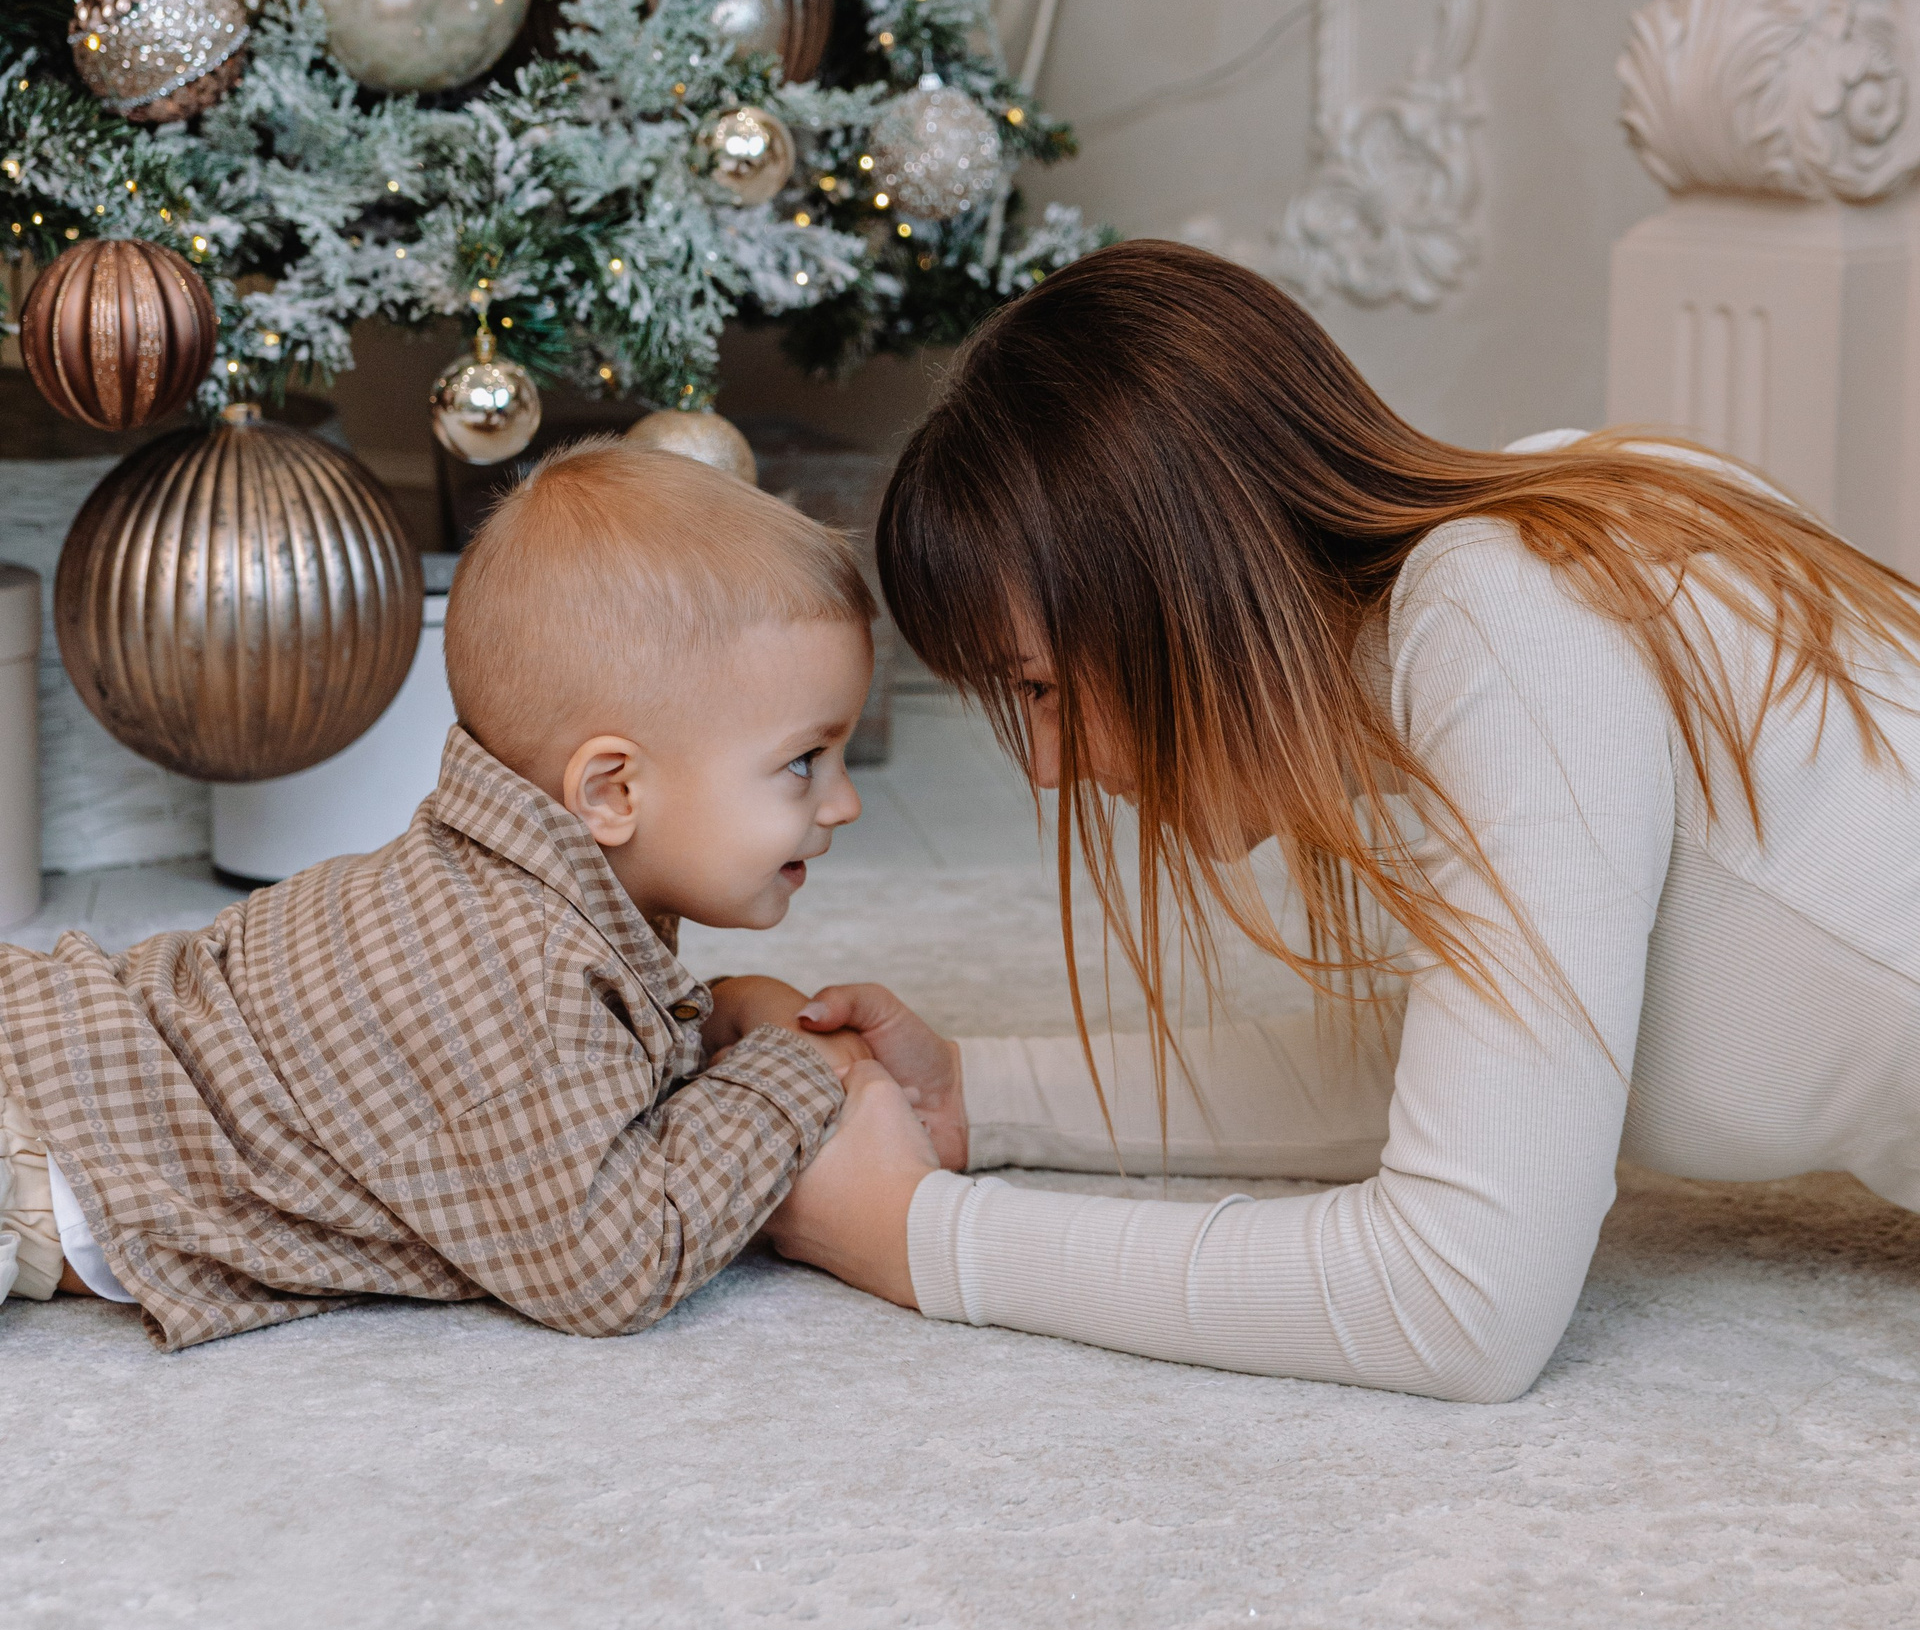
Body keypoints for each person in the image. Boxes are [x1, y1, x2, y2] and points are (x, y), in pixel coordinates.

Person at [766, 240, 1920, 1402]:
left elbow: (1462, 1300)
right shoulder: (1539, 537)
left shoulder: (1513, 618)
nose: (1054, 769)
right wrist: (974, 1098)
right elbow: (1474, 1091)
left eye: (1040, 689)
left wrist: (921, 1238)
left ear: (1187, 587)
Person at [0, 444, 884, 1349]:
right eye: (805, 761)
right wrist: (798, 1073)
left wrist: (718, 1022)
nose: (844, 802)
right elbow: (614, 1266)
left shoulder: (519, 900)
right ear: (613, 791)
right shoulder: (520, 972)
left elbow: (586, 1094)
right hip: (34, 1151)